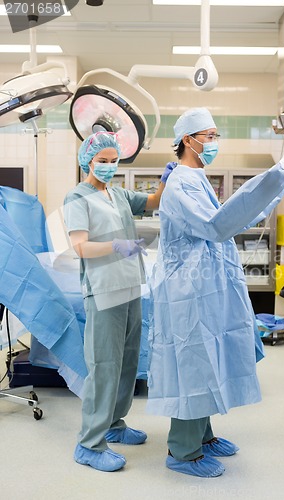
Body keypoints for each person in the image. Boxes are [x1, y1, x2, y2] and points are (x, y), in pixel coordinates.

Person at [146, 107, 284, 478]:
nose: (213, 142)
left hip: (207, 287)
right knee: (194, 366)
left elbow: (233, 217)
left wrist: (270, 194)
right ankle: (182, 450)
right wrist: (266, 184)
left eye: (215, 135)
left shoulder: (197, 178)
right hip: (187, 291)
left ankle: (204, 436)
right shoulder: (180, 183)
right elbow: (215, 226)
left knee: (209, 359)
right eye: (208, 136)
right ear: (187, 141)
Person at [63, 131, 174, 472]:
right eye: (103, 161)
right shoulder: (76, 199)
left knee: (127, 363)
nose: (109, 167)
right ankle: (89, 444)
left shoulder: (118, 193)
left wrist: (166, 182)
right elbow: (80, 247)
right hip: (103, 290)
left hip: (130, 287)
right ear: (88, 161)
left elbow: (153, 203)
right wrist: (115, 246)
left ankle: (114, 425)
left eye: (114, 161)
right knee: (104, 366)